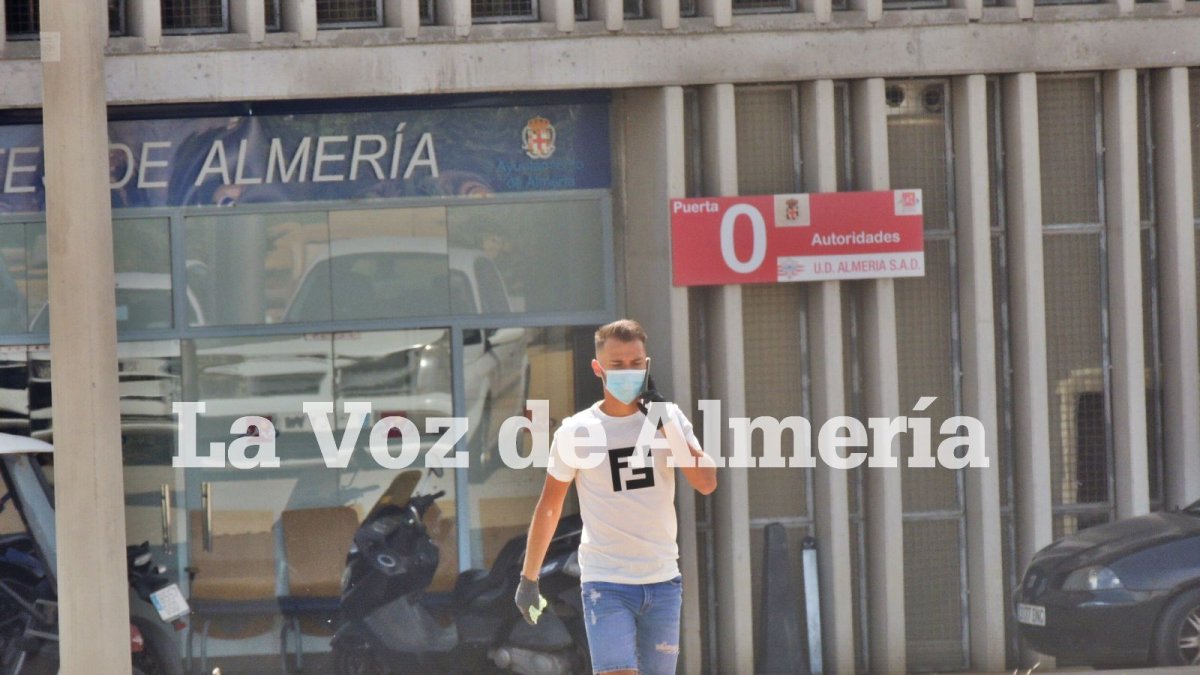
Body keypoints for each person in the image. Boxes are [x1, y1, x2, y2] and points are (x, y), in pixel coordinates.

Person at [514, 318, 717, 675]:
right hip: (605, 583)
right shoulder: (577, 431)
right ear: (598, 368)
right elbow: (549, 506)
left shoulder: (669, 418)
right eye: (617, 365)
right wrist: (528, 579)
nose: (628, 371)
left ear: (647, 365)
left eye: (635, 364)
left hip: (662, 581)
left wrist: (663, 420)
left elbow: (705, 482)